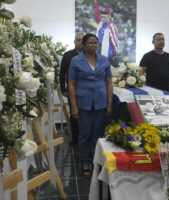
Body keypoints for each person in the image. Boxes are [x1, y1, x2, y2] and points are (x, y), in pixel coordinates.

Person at [68, 33, 113, 177]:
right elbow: (71, 84)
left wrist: (109, 103)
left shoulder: (104, 60)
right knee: (84, 134)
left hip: (100, 102)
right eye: (90, 43)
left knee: (98, 134)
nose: (93, 46)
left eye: (95, 43)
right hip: (83, 103)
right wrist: (73, 106)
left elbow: (109, 83)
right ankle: (85, 162)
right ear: (83, 45)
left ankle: (96, 162)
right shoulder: (76, 61)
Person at [59, 33, 84, 145]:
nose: (80, 42)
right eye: (78, 40)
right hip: (71, 89)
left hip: (86, 90)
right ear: (74, 42)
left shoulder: (89, 55)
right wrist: (63, 88)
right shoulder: (68, 55)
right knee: (74, 113)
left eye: (82, 40)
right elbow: (62, 73)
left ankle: (84, 137)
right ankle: (75, 137)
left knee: (85, 113)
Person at [93, 1, 119, 67]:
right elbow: (96, 15)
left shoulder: (111, 26)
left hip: (107, 50)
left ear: (110, 16)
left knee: (105, 70)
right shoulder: (100, 23)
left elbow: (114, 40)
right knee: (98, 68)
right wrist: (96, 4)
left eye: (105, 14)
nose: (103, 15)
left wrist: (114, 52)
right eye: (102, 13)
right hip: (98, 47)